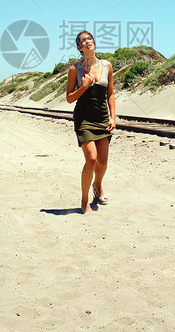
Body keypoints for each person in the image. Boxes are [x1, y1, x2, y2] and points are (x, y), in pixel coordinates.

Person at [66, 30, 116, 213]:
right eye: (83, 41)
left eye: (90, 39)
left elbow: (110, 93)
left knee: (103, 162)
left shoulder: (107, 66)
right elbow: (69, 98)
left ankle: (98, 186)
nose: (88, 42)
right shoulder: (75, 70)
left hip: (102, 117)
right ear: (79, 47)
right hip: (84, 118)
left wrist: (113, 117)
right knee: (92, 159)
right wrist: (84, 86)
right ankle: (84, 200)